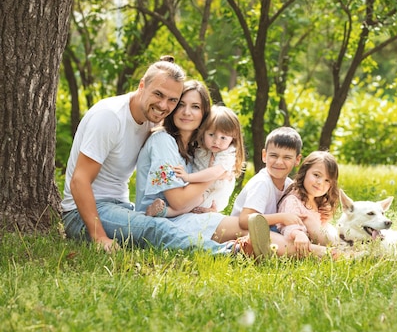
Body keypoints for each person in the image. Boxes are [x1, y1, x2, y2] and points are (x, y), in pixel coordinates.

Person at [61, 57, 271, 256]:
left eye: (172, 100)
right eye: (158, 95)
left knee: (166, 225)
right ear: (142, 86)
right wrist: (99, 237)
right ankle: (230, 254)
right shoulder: (110, 117)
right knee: (156, 227)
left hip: (120, 206)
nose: (164, 106)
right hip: (83, 213)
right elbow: (79, 181)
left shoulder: (152, 119)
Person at [134, 80, 281, 255]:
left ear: (205, 114)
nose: (187, 112)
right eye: (181, 104)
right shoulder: (163, 141)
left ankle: (311, 248)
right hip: (160, 221)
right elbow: (178, 201)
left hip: (187, 215)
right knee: (247, 230)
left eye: (195, 107)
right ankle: (307, 250)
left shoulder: (195, 148)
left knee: (252, 231)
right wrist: (215, 175)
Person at [145, 105, 245, 217]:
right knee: (190, 203)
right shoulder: (201, 147)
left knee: (191, 203)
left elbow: (215, 173)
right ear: (203, 132)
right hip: (200, 188)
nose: (216, 141)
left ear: (233, 138)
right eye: (211, 135)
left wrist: (188, 177)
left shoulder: (227, 154)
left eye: (223, 138)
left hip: (213, 193)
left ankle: (165, 212)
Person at [230, 127, 310, 256]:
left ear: (297, 160)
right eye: (274, 155)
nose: (279, 162)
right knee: (285, 245)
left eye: (287, 157)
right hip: (242, 234)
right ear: (264, 155)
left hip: (270, 230)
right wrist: (282, 218)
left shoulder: (289, 185)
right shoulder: (262, 183)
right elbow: (244, 220)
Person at [276, 151, 342, 258]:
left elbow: (323, 226)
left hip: (323, 242)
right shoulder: (293, 201)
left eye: (327, 180)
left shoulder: (319, 202)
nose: (320, 182)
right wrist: (298, 233)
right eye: (316, 175)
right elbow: (288, 226)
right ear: (304, 172)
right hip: (300, 247)